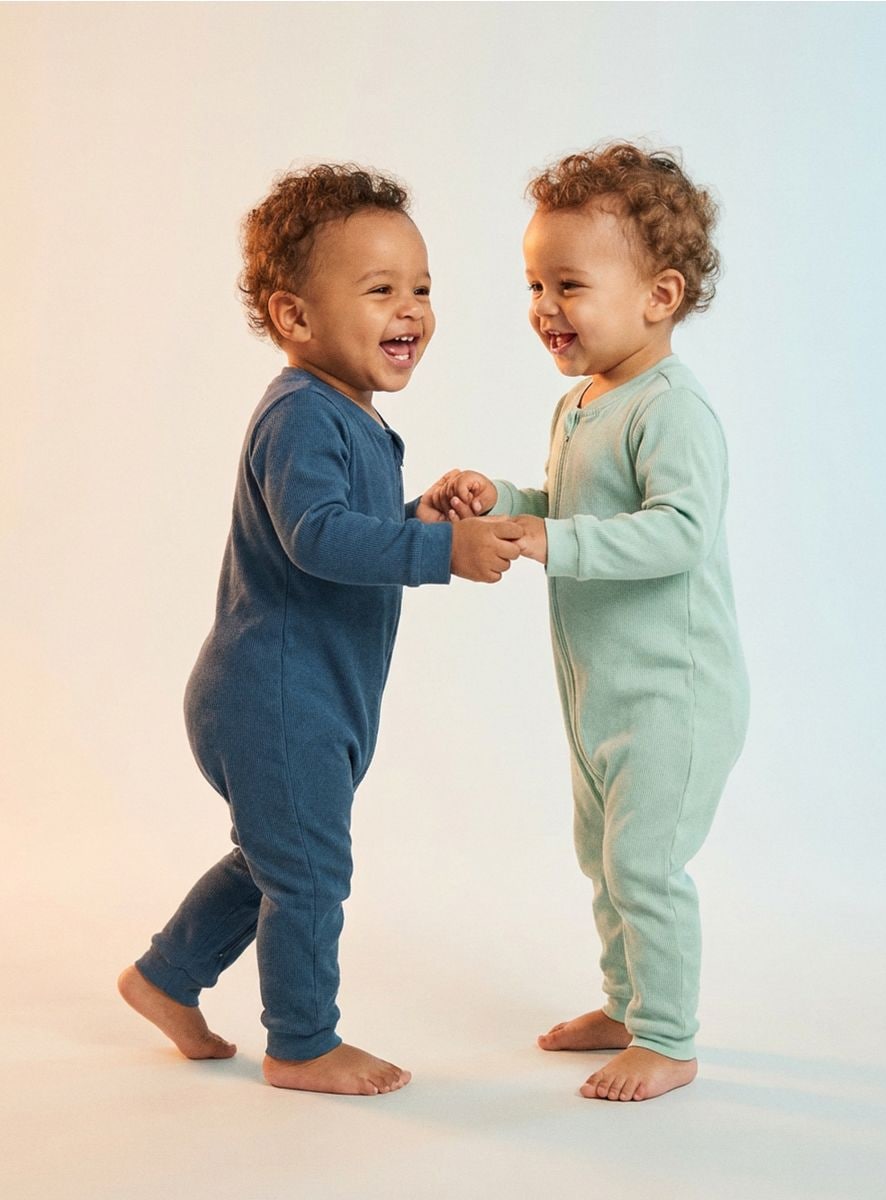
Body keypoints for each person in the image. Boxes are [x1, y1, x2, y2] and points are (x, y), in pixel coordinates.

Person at [118, 164, 523, 1096]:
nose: (410, 309)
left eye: (422, 288)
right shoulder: (302, 413)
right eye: (380, 290)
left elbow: (347, 535)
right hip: (276, 693)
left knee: (278, 858)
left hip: (311, 693)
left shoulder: (350, 416)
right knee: (309, 875)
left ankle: (166, 977)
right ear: (294, 316)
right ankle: (302, 1043)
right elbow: (318, 537)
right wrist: (442, 552)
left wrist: (419, 518)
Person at [431, 143, 750, 1102]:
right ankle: (625, 1003)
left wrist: (549, 538)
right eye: (535, 285)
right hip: (596, 697)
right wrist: (506, 499)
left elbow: (678, 533)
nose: (544, 307)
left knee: (644, 865)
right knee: (603, 861)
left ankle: (669, 1038)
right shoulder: (581, 404)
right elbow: (571, 506)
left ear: (659, 296)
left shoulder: (672, 409)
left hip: (671, 697)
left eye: (569, 285)